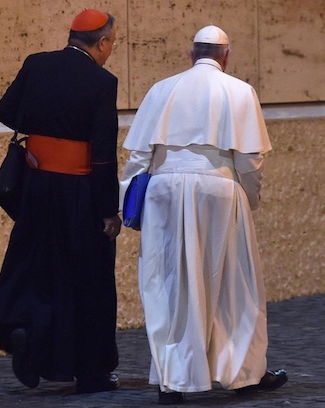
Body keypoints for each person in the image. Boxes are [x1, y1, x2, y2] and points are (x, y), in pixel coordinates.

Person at [119, 25, 288, 405]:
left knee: (168, 285)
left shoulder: (161, 90)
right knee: (234, 285)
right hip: (219, 190)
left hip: (163, 191)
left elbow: (138, 157)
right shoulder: (240, 91)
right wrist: (249, 198)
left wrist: (126, 204)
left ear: (191, 54)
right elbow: (249, 159)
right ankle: (242, 374)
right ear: (226, 56)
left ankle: (172, 381)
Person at [0, 9, 122, 394]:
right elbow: (102, 155)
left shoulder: (37, 64)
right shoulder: (102, 82)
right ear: (102, 42)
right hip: (80, 195)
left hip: (36, 187)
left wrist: (44, 130)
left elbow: (5, 111)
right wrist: (108, 211)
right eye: (112, 43)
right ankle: (91, 373)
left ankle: (25, 332)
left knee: (36, 269)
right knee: (88, 280)